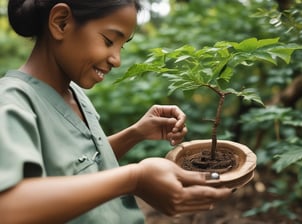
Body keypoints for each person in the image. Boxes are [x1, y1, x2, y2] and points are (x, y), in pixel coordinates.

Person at [0, 0, 233, 223]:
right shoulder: (12, 100)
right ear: (61, 23)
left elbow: (79, 166)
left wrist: (135, 134)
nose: (117, 60)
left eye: (122, 46)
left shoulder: (75, 95)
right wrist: (134, 179)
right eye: (109, 40)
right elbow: (8, 208)